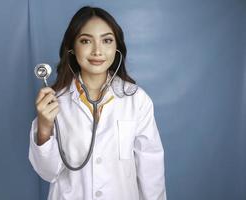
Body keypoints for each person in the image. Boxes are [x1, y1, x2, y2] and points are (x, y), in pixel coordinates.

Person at [28, 6, 166, 200]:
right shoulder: (55, 102)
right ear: (72, 48)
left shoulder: (137, 100)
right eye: (86, 41)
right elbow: (48, 173)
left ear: (116, 47)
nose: (98, 50)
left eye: (107, 40)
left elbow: (151, 171)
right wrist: (44, 128)